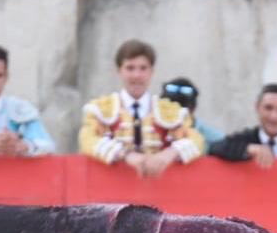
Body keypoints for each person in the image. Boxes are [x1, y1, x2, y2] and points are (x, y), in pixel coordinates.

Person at [78, 39, 204, 176]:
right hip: (111, 192)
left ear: (151, 71)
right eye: (130, 68)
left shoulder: (171, 112)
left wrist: (168, 155)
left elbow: (196, 140)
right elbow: (87, 139)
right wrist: (126, 155)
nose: (137, 75)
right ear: (119, 71)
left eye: (143, 68)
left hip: (159, 191)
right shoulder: (101, 109)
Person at [161, 77, 225, 149]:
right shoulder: (153, 132)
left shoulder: (212, 139)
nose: (174, 120)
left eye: (181, 113)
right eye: (167, 110)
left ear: (192, 109)